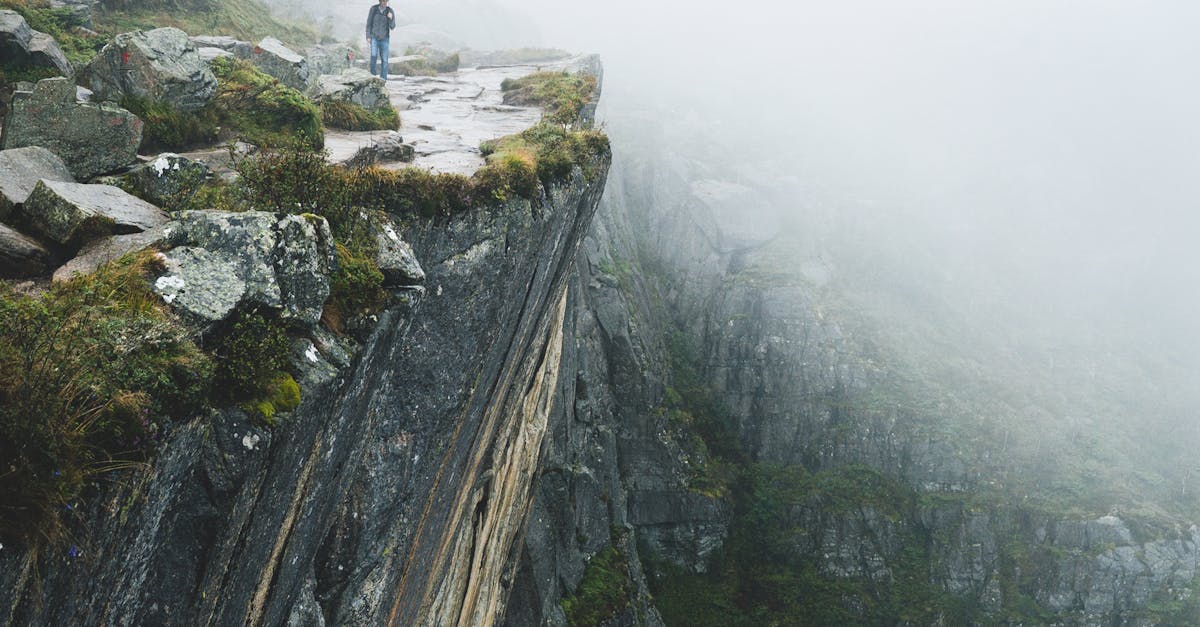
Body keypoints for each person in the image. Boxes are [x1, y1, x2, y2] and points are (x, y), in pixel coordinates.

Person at [366, 0, 396, 80]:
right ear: (380, 1)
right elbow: (369, 24)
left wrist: (390, 18)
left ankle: (383, 79)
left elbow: (392, 27)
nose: (384, 2)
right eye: (383, 1)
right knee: (373, 56)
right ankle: (372, 77)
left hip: (385, 39)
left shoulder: (390, 11)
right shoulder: (373, 9)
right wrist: (368, 36)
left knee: (385, 60)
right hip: (374, 37)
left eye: (386, 1)